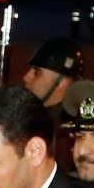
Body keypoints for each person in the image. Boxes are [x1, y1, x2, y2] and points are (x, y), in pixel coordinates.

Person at [21, 37, 84, 172]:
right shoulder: (32, 115)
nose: (26, 77)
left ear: (62, 82)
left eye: (36, 73)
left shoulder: (67, 132)